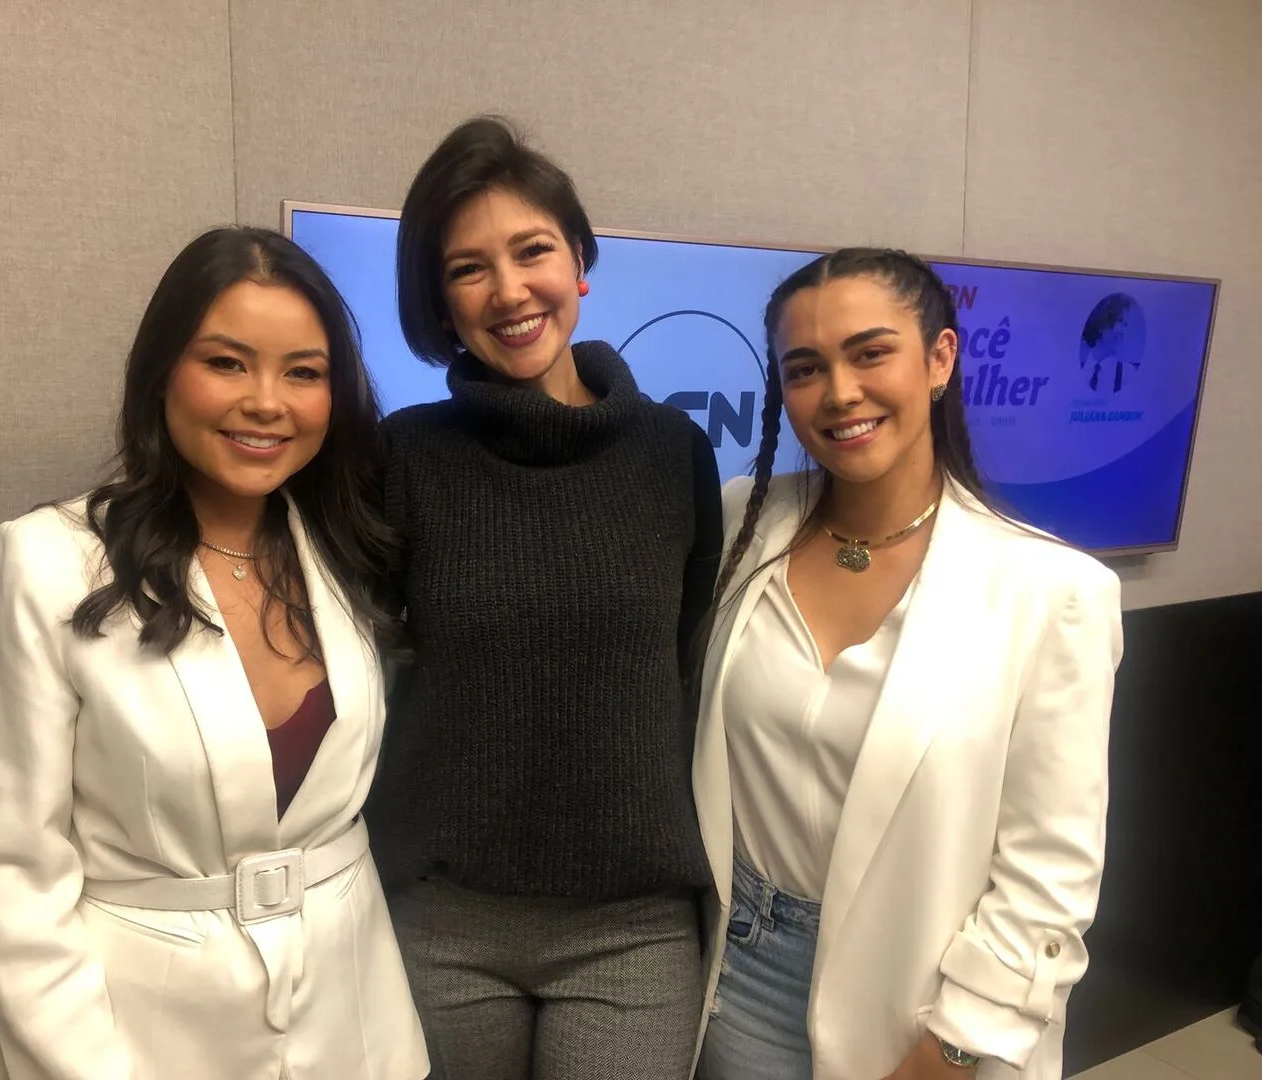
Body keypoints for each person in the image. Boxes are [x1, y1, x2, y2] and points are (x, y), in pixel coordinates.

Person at [0, 227, 428, 1079]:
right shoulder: (49, 562)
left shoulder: (346, 549)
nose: (266, 401)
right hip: (136, 1036)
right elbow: (16, 875)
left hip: (352, 1024)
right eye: (226, 362)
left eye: (303, 372)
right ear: (161, 372)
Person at [693, 248, 1123, 1080]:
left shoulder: (1050, 591)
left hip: (923, 1002)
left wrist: (953, 1046)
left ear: (939, 359)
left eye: (870, 352)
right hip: (735, 973)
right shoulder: (744, 523)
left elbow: (1051, 875)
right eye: (806, 367)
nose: (841, 392)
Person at [364, 116, 722, 1080]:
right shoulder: (402, 458)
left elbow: (692, 667)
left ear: (581, 263)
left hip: (633, 930)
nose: (510, 290)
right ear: (439, 304)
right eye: (468, 268)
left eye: (533, 252)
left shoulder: (671, 455)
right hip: (441, 921)